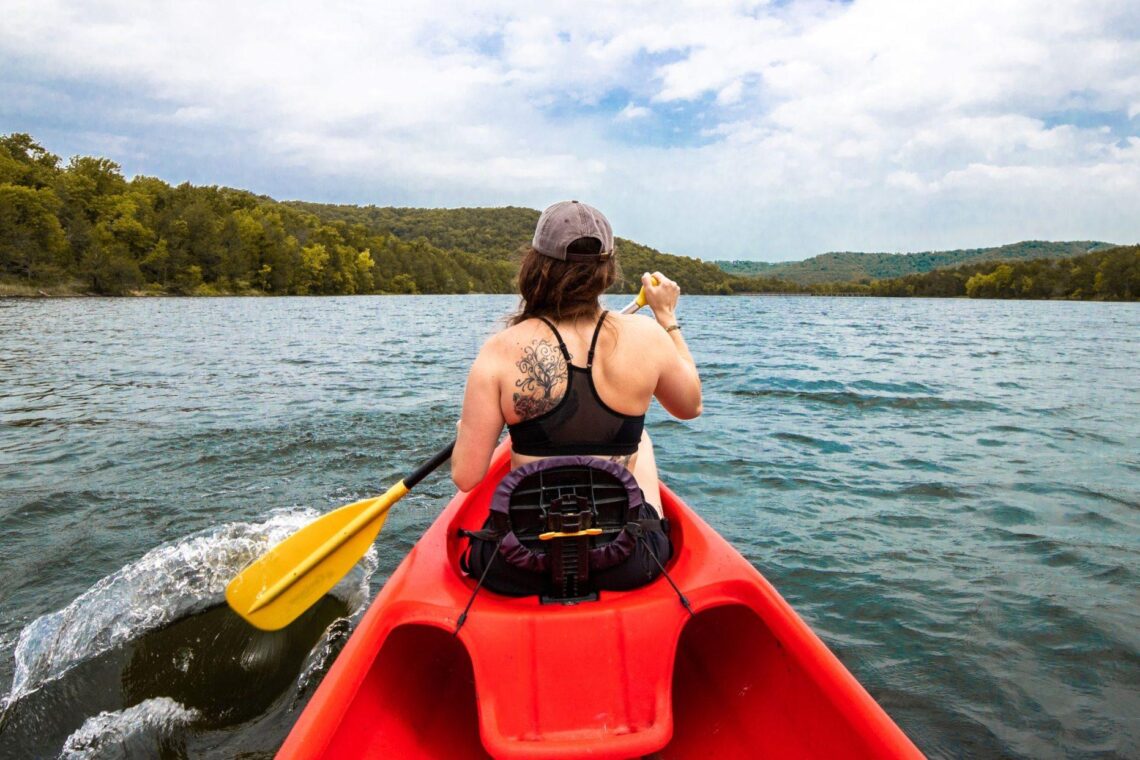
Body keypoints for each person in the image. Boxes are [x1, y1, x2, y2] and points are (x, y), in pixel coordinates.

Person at [453, 200, 702, 593]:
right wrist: (668, 320)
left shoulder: (500, 349)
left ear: (535, 265)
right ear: (607, 271)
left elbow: (466, 478)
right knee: (641, 438)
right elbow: (690, 406)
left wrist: (468, 428)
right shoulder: (648, 338)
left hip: (518, 565)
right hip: (629, 559)